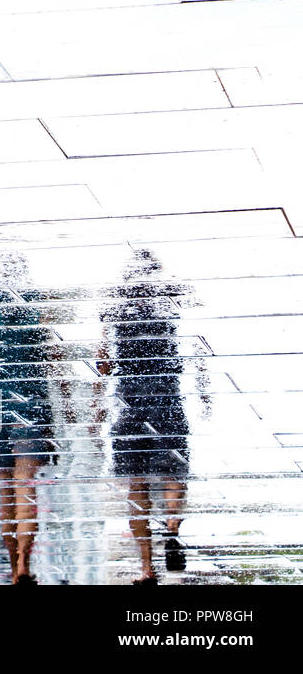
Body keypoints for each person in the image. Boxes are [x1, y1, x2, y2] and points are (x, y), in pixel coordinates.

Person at [98, 249, 191, 585]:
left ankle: (146, 568)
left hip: (130, 403)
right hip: (167, 399)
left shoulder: (114, 311)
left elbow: (103, 364)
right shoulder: (169, 306)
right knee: (172, 473)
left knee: (135, 483)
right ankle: (171, 528)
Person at [0, 253, 56, 584]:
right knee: (26, 486)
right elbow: (50, 353)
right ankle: (23, 563)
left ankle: (12, 563)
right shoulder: (37, 301)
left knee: (5, 489)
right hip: (32, 397)